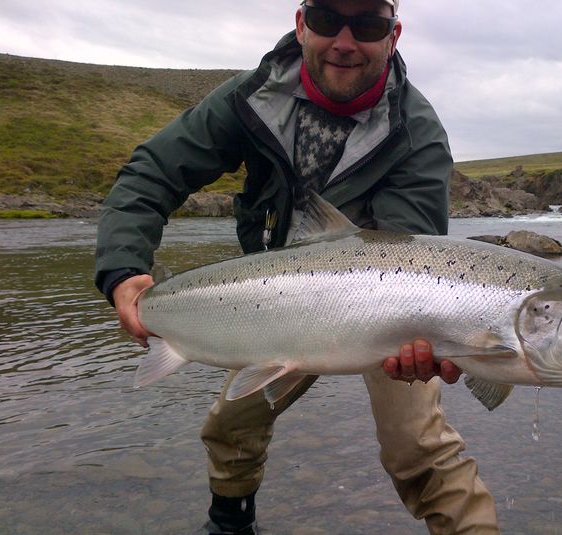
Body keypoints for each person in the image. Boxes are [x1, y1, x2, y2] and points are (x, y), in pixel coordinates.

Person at [95, 1, 499, 533]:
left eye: (369, 25)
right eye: (330, 20)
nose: (346, 42)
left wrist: (429, 344)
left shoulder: (415, 133)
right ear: (301, 23)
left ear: (393, 35)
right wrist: (124, 271)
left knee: (419, 449)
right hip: (281, 294)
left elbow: (410, 257)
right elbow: (151, 175)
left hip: (384, 309)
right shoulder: (250, 98)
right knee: (231, 424)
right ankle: (230, 524)